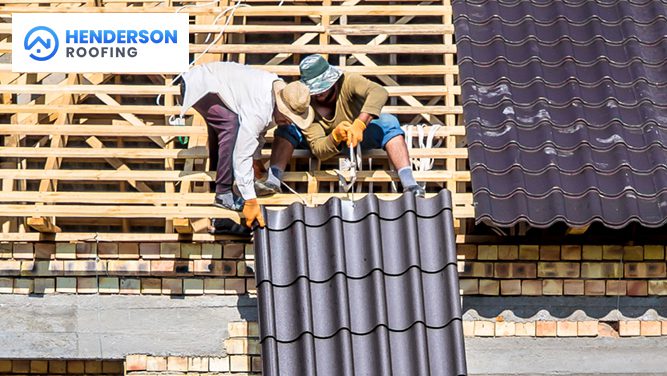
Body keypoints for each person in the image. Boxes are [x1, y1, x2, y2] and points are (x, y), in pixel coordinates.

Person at [256, 54, 425, 197]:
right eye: (316, 90)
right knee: (288, 129)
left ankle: (409, 183)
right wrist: (335, 137)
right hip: (329, 143)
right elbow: (319, 149)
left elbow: (379, 92)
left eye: (324, 87)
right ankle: (273, 180)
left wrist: (360, 123)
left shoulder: (348, 81)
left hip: (358, 137)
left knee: (389, 123)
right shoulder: (305, 105)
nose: (321, 93)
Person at [180, 62, 314, 227]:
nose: (288, 121)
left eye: (292, 119)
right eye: (287, 116)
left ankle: (220, 180)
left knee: (226, 127)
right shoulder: (260, 107)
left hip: (216, 87)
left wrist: (256, 161)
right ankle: (223, 193)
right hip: (200, 85)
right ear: (280, 105)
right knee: (230, 125)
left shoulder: (281, 98)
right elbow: (241, 153)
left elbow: (258, 134)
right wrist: (250, 199)